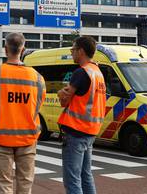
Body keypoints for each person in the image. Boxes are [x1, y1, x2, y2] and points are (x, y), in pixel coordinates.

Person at [0, 33, 46, 194]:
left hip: (1, 138)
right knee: (25, 183)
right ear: (23, 50)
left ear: (5, 49)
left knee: (4, 184)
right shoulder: (38, 78)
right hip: (27, 138)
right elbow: (39, 105)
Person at [57, 36, 106, 194]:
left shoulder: (81, 73)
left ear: (81, 51)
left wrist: (60, 93)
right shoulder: (98, 73)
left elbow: (64, 100)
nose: (72, 53)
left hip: (76, 131)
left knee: (72, 180)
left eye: (73, 50)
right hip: (90, 130)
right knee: (86, 176)